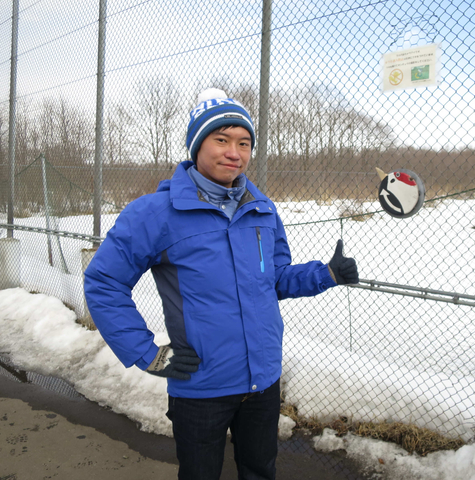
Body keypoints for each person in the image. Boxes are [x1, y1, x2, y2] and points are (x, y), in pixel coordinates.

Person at [83, 88, 359, 480]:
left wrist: (326, 274)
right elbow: (104, 281)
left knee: (260, 470)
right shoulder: (155, 213)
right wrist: (147, 353)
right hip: (201, 386)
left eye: (244, 143)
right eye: (222, 140)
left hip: (262, 379)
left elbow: (273, 279)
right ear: (197, 145)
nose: (235, 152)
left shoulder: (261, 209)